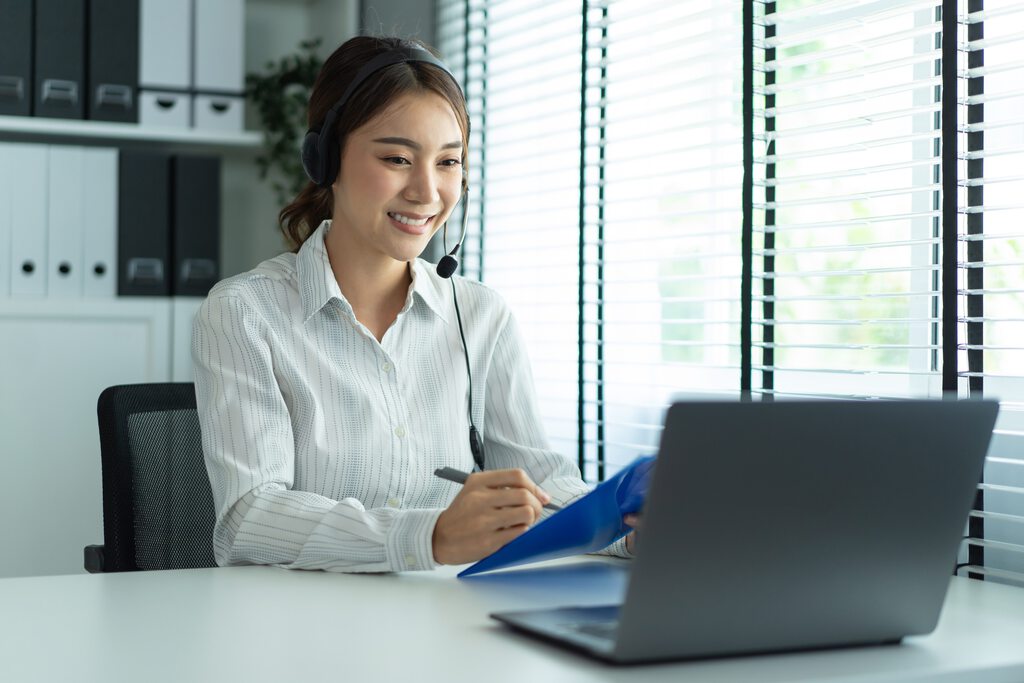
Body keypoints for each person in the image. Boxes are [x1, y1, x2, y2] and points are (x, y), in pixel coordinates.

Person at [192, 35, 634, 573]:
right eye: (398, 158)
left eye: (448, 162)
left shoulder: (481, 316)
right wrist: (429, 535)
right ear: (326, 159)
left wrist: (626, 531)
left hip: (447, 625)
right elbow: (249, 517)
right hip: (300, 634)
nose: (427, 192)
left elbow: (539, 483)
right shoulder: (244, 314)